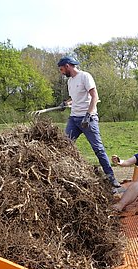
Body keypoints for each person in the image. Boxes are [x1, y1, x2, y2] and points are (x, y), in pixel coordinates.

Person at [57, 56, 120, 188]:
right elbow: (75, 98)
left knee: (98, 149)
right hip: (74, 119)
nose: (62, 72)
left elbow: (94, 96)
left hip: (88, 119)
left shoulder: (85, 76)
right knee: (64, 145)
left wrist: (88, 115)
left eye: (62, 69)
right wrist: (66, 103)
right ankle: (65, 175)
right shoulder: (70, 82)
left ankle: (111, 178)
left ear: (67, 66)